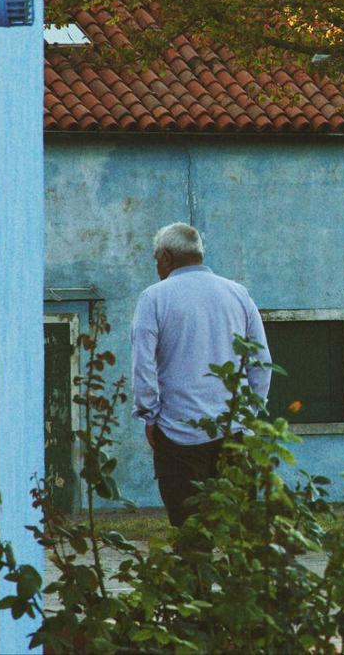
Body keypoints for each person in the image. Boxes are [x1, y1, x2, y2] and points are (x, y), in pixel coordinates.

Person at [131, 222, 272, 526]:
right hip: (234, 432)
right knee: (240, 534)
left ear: (167, 257)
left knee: (191, 533)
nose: (157, 266)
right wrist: (248, 416)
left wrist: (149, 416)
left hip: (178, 434)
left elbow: (144, 366)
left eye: (157, 259)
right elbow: (260, 362)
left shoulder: (154, 298)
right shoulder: (238, 294)